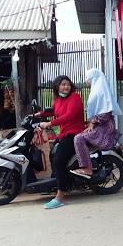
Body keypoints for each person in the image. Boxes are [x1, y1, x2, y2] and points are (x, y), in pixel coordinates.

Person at [39, 75, 84, 209]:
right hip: (64, 134)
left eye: (68, 84)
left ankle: (61, 196)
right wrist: (37, 115)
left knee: (58, 161)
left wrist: (49, 123)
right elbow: (53, 111)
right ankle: (62, 183)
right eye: (63, 84)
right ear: (57, 86)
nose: (66, 87)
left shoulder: (75, 97)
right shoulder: (58, 100)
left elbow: (69, 115)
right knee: (52, 156)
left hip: (75, 133)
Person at [70, 69, 122, 178]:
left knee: (78, 138)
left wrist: (93, 122)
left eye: (87, 78)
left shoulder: (100, 92)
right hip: (99, 126)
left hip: (103, 129)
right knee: (78, 136)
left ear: (93, 78)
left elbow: (105, 113)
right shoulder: (98, 90)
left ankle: (87, 169)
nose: (85, 81)